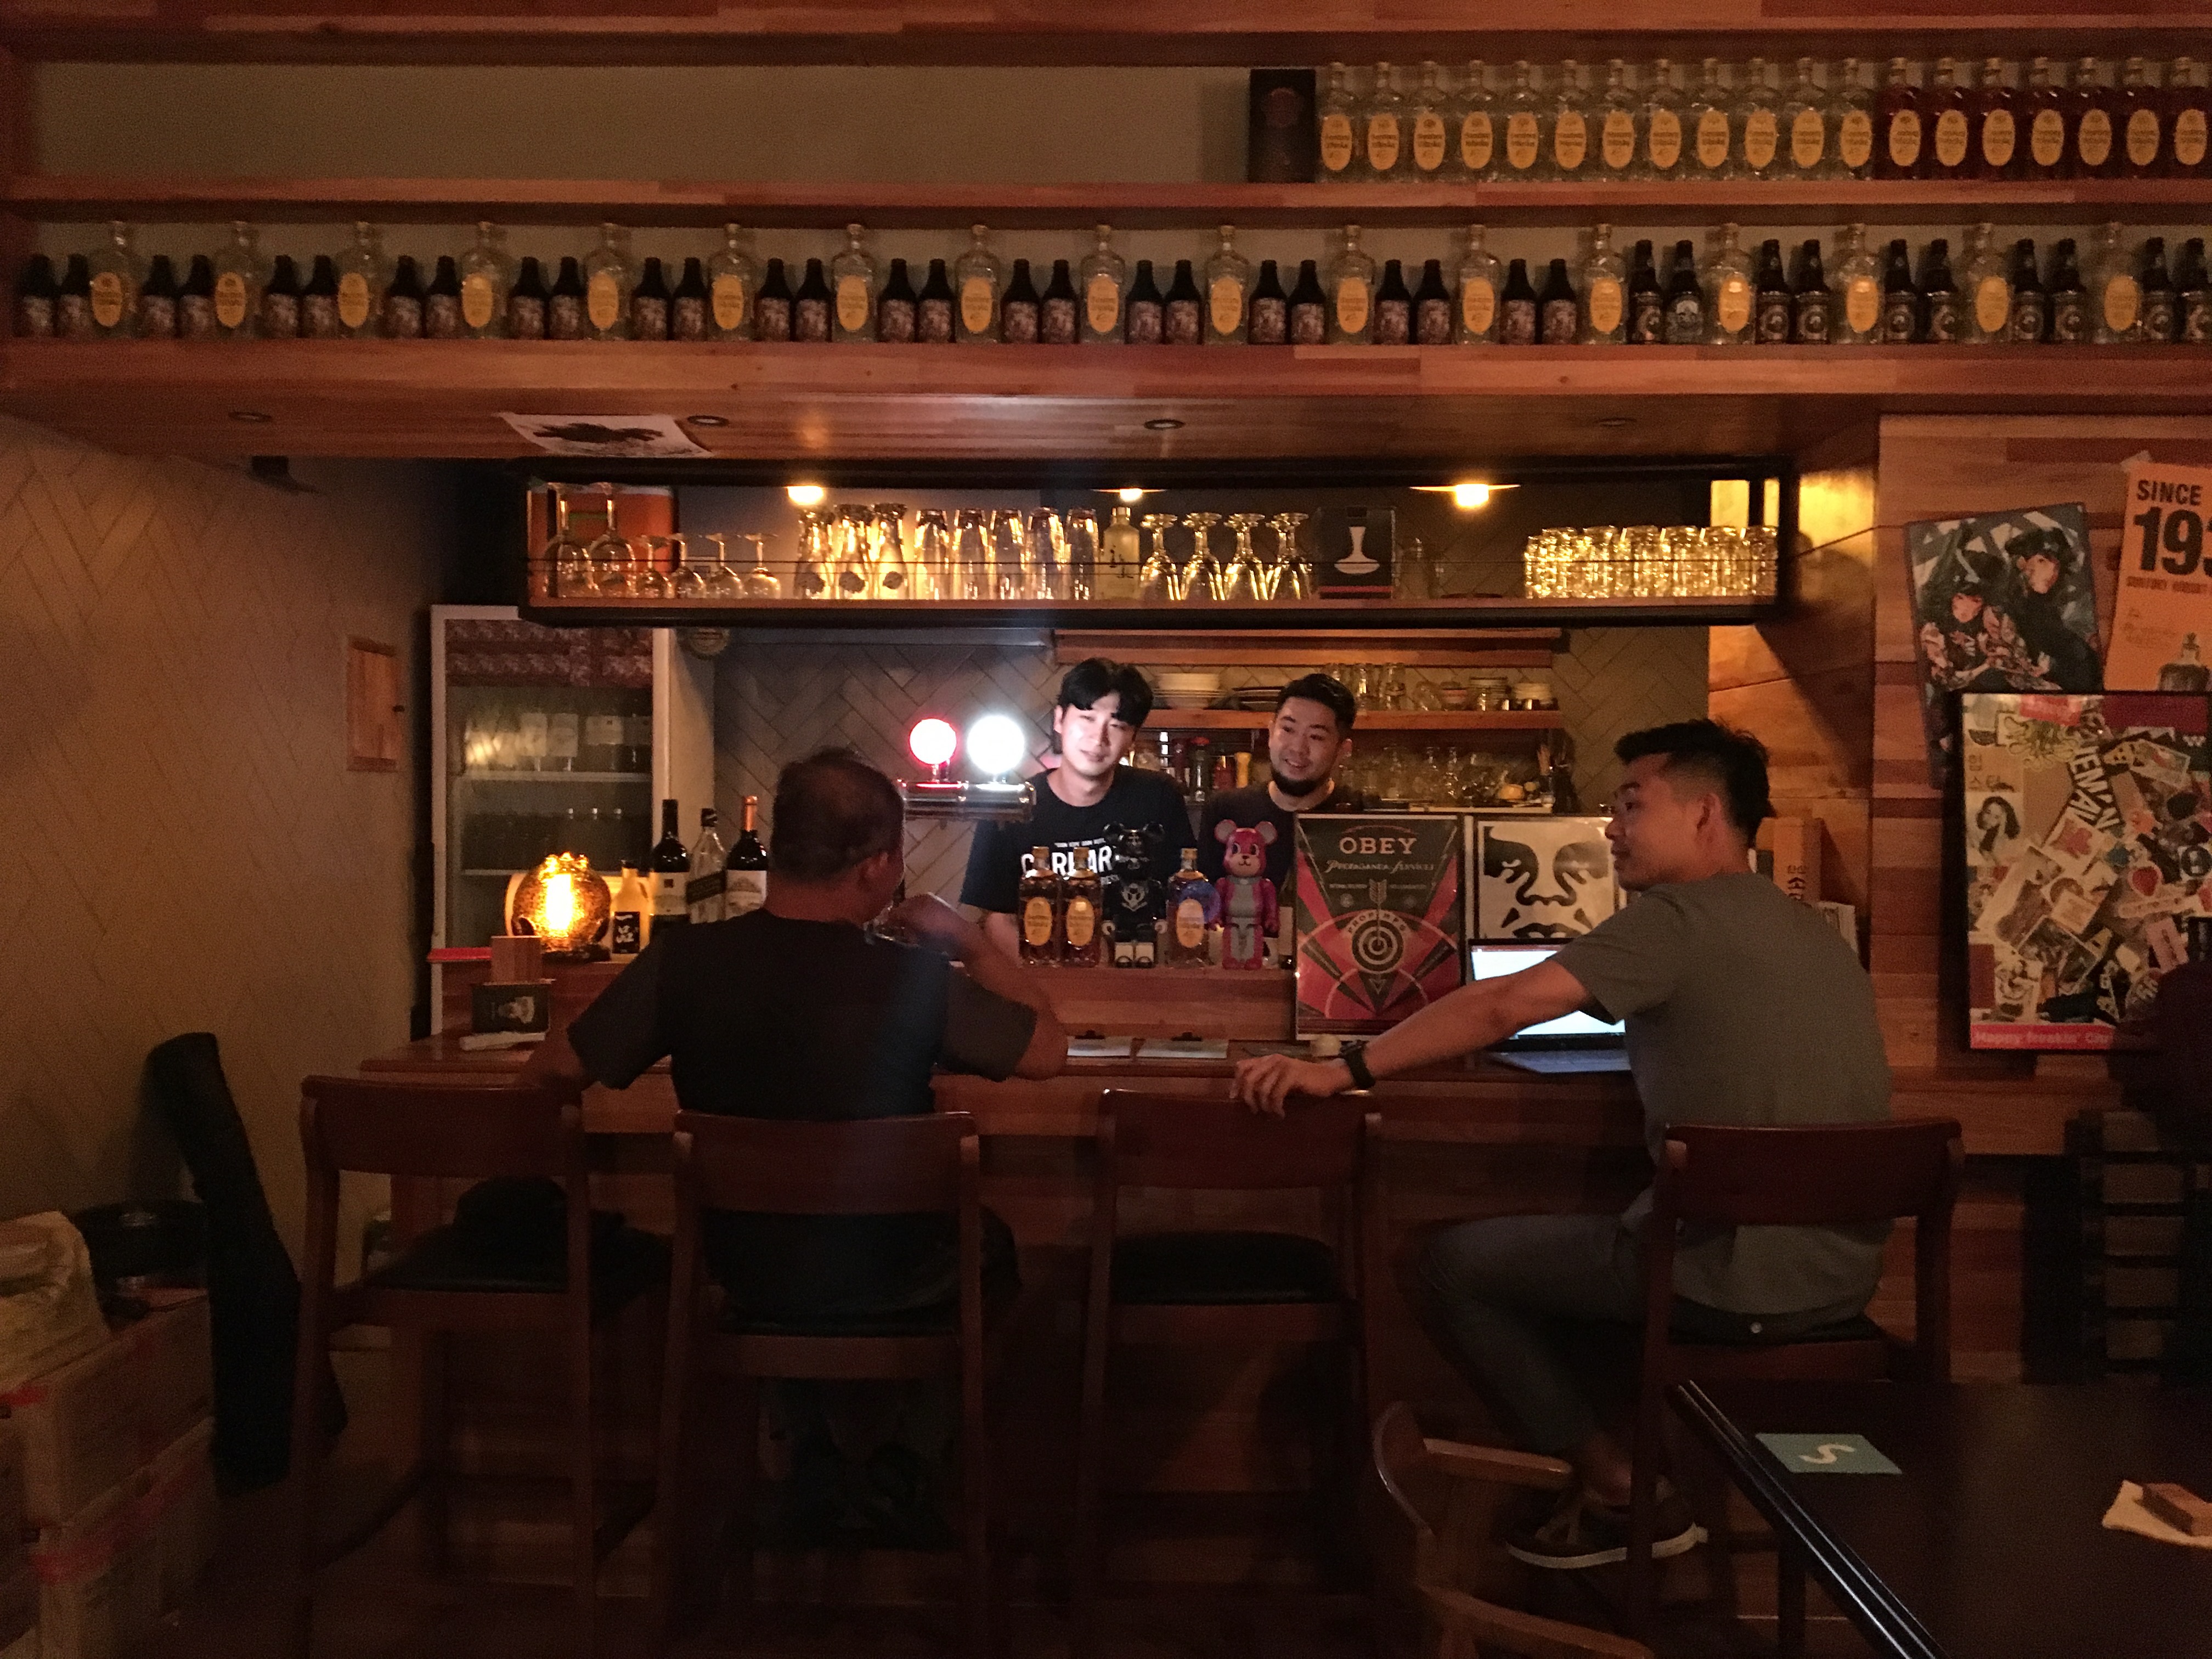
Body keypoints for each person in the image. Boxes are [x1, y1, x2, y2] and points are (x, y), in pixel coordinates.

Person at [1231, 720, 1891, 1572]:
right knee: (1592, 1257)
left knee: (1451, 1264)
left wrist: (1344, 1068)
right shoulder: (1816, 931)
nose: (1611, 827)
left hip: (1723, 1278)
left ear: (1705, 813)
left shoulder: (1674, 919)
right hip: (1844, 1278)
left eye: (1630, 805)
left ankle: (1621, 1490)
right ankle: (1638, 1486)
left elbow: (1503, 1008)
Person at [526, 748, 1066, 1538]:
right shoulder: (911, 979)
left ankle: (810, 1451)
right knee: (992, 1251)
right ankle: (906, 1464)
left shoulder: (686, 962)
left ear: (781, 849)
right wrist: (970, 940)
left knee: (768, 1252)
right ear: (879, 866)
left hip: (741, 1272)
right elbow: (1050, 1052)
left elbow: (556, 1070)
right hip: (898, 1276)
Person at [960, 657, 1189, 955]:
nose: (1099, 739)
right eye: (1087, 718)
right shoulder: (1010, 806)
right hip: (1040, 978)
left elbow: (1183, 899)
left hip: (1136, 976)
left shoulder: (1158, 797)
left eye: (1117, 725)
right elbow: (995, 918)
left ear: (1132, 738)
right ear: (1059, 720)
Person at [1196, 672, 1361, 899]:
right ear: (1271, 731)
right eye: (1288, 729)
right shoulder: (1225, 809)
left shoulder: (1363, 818)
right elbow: (1207, 909)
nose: (1297, 748)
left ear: (1343, 750)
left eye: (1316, 737)